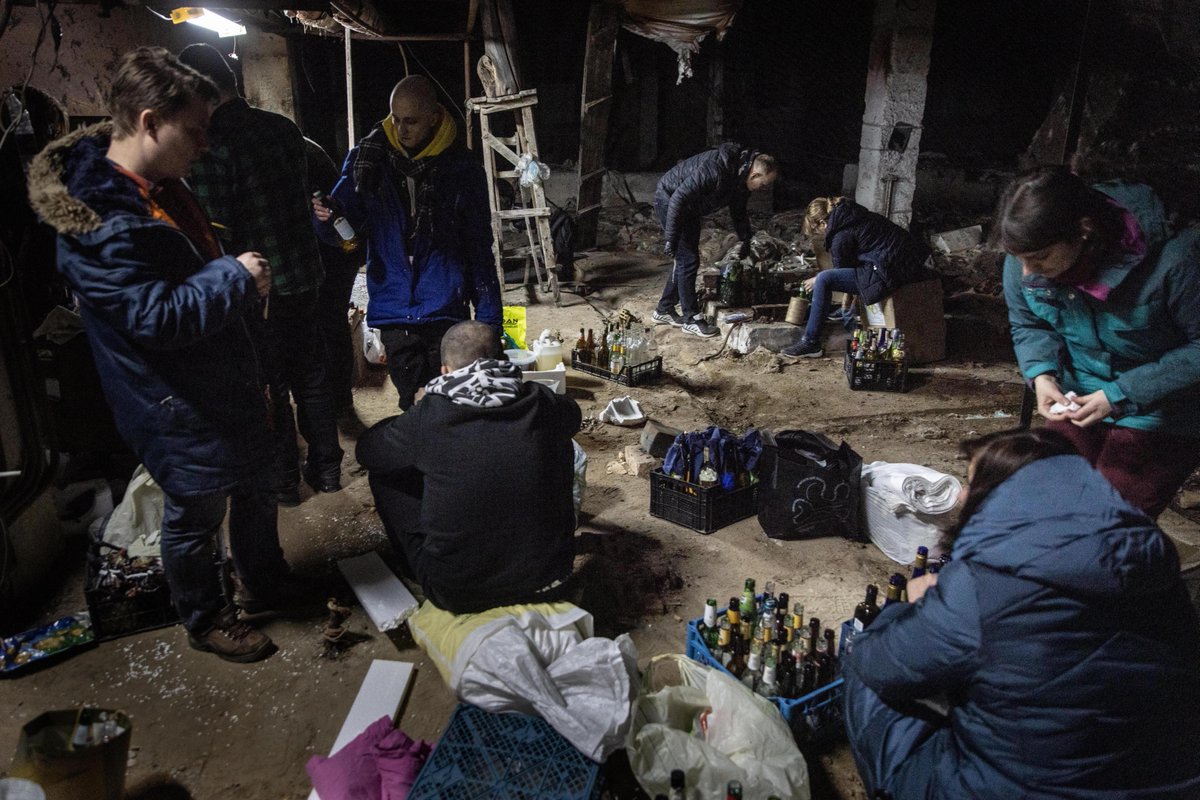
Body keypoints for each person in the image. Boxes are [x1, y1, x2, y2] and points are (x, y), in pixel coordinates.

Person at [28, 47, 304, 662]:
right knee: (196, 512)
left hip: (226, 378)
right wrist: (233, 279)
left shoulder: (160, 186)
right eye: (196, 130)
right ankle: (206, 618)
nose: (206, 145)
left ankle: (264, 579)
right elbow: (155, 318)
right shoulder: (95, 221)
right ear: (150, 122)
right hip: (177, 403)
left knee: (259, 487)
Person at [841, 428, 1200, 800]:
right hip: (1168, 786)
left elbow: (881, 664)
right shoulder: (1154, 564)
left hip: (1016, 789)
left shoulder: (982, 584)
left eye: (970, 482)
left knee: (861, 650)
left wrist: (908, 608)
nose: (961, 495)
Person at [177, 43, 344, 504]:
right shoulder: (284, 129)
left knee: (271, 384)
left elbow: (214, 225)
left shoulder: (214, 143)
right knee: (311, 373)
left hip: (260, 287)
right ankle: (328, 472)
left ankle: (286, 484)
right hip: (306, 272)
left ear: (197, 89)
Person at [997, 165, 1200, 518]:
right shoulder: (1027, 254)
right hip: (1080, 394)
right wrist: (1042, 375)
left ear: (1084, 231)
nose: (1026, 271)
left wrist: (1120, 394)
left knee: (1105, 520)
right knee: (1050, 500)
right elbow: (1029, 323)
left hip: (1166, 409)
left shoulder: (1177, 260)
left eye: (1039, 259)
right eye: (1019, 260)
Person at [356, 320, 581, 613]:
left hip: (458, 592)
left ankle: (418, 568)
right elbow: (573, 416)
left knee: (386, 473)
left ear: (445, 371)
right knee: (557, 439)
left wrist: (416, 410)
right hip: (549, 576)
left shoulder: (430, 415)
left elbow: (368, 451)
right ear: (502, 362)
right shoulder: (541, 401)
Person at [312, 75, 500, 411]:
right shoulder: (367, 161)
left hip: (444, 304)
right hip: (395, 306)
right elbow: (346, 234)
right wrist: (326, 218)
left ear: (434, 116)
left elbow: (478, 247)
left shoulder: (462, 168)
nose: (401, 130)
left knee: (453, 399)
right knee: (412, 402)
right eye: (395, 119)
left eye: (411, 121)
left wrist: (489, 321)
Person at [652, 144, 778, 338]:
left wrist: (746, 238)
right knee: (688, 260)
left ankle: (664, 309)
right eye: (763, 184)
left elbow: (738, 210)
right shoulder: (716, 169)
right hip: (670, 199)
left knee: (686, 259)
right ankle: (691, 318)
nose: (763, 189)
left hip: (690, 207)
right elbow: (678, 198)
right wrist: (671, 238)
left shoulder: (739, 178)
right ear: (754, 175)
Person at [782, 196, 930, 358]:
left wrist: (817, 280)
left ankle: (810, 342)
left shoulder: (839, 235)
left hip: (889, 269)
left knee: (824, 279)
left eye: (817, 232)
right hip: (904, 264)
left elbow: (840, 272)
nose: (821, 236)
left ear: (823, 223)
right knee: (830, 281)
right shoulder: (856, 215)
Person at [305, 137, 361, 421]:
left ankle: (338, 400)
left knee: (329, 321)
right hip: (334, 248)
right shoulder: (306, 146)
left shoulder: (300, 152)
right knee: (332, 322)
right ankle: (339, 400)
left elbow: (332, 210)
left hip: (334, 248)